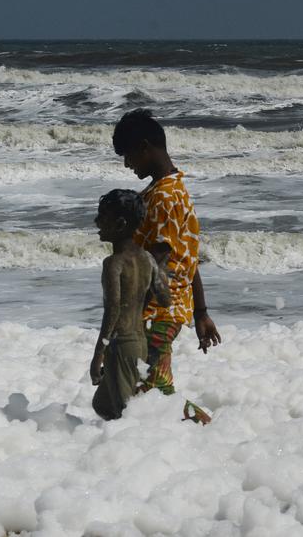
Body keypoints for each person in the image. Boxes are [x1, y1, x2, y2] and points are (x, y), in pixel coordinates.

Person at [112, 109, 220, 423]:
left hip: (157, 311)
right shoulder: (170, 191)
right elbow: (189, 258)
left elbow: (156, 261)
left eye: (128, 155)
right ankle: (202, 434)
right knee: (151, 389)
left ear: (145, 147)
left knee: (151, 392)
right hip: (167, 309)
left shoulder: (164, 197)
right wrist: (200, 311)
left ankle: (205, 429)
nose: (127, 164)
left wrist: (129, 314)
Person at [90, 190, 171, 420]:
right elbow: (165, 298)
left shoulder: (113, 264)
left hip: (121, 345)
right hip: (140, 343)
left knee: (126, 416)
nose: (97, 221)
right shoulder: (147, 258)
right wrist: (162, 270)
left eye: (102, 216)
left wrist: (98, 354)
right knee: (102, 405)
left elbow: (112, 310)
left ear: (120, 224)